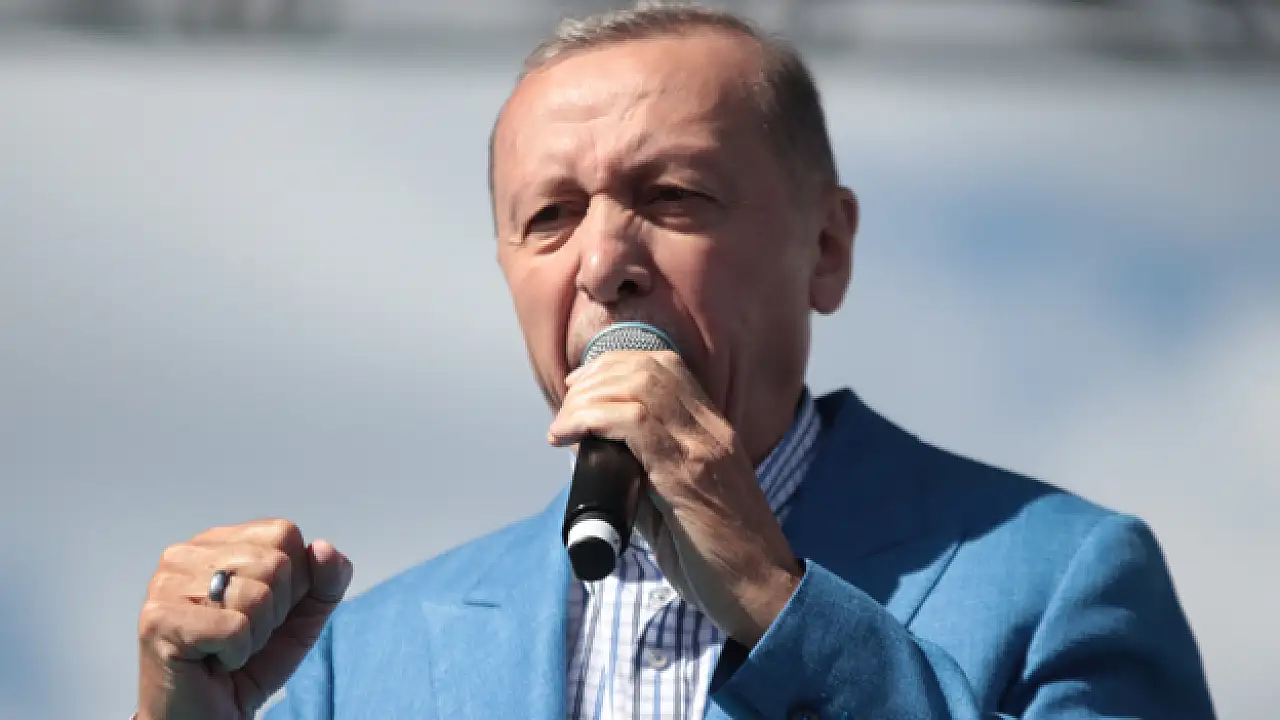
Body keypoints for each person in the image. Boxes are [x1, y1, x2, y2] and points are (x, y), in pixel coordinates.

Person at [133, 4, 1217, 719]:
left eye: (673, 196)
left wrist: (772, 596)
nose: (605, 262)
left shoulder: (1064, 577)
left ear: (826, 247)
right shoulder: (364, 657)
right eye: (550, 217)